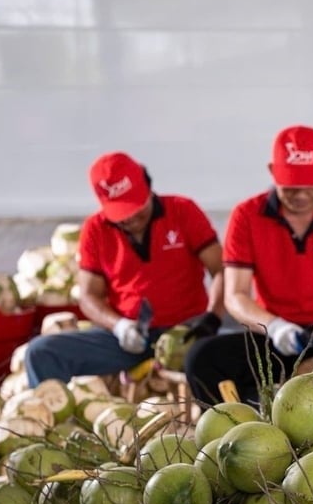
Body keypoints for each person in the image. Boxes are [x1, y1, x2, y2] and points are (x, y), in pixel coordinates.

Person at [183, 125, 313, 406]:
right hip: (277, 336)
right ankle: (243, 427)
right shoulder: (246, 216)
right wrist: (275, 327)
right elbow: (235, 295)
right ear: (273, 171)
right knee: (202, 357)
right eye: (291, 186)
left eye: (310, 186)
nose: (301, 196)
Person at [25, 152, 224, 386]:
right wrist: (119, 326)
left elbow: (222, 269)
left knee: (231, 356)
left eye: (135, 206)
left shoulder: (183, 210)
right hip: (130, 338)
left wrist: (212, 319)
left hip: (190, 334)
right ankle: (53, 418)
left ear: (148, 186)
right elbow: (89, 297)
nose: (130, 217)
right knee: (41, 352)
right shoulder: (95, 230)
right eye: (120, 211)